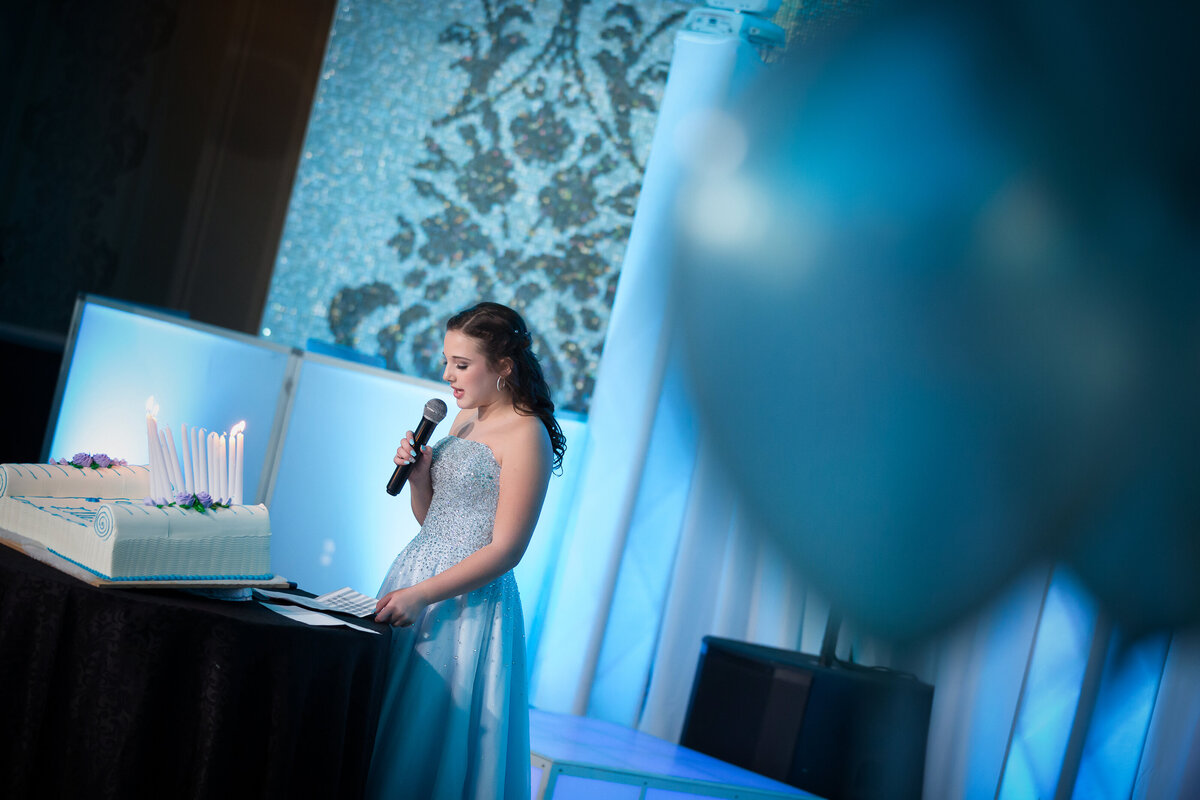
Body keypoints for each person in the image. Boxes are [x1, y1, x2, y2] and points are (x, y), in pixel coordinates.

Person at [366, 301, 566, 800]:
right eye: (446, 361)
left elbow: (507, 550)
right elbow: (435, 521)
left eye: (461, 364)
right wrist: (418, 480)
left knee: (431, 735)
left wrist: (423, 595)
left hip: (467, 605)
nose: (446, 375)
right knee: (387, 723)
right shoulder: (461, 420)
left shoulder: (526, 432)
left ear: (503, 366)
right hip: (414, 574)